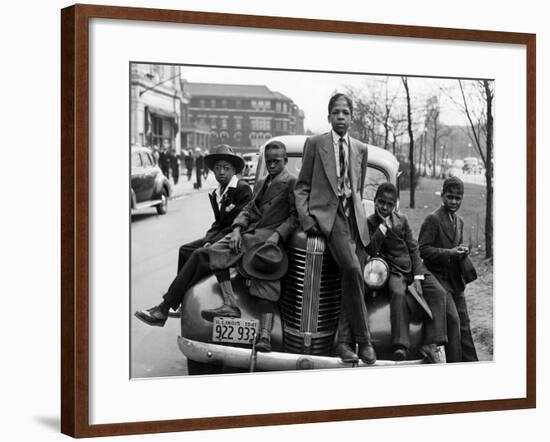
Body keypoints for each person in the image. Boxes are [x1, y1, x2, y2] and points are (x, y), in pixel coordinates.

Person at [135, 141, 298, 351]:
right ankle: (180, 307)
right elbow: (249, 209)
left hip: (265, 241)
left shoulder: (291, 182)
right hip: (248, 235)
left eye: (277, 161)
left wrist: (277, 235)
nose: (273, 165)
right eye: (269, 162)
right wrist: (238, 228)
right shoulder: (264, 182)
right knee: (205, 253)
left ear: (285, 161)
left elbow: (294, 217)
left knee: (204, 254)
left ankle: (165, 308)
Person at [294, 93, 376, 365]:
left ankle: (342, 342)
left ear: (352, 117)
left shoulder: (361, 149)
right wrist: (308, 221)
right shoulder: (316, 143)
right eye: (336, 112)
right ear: (329, 116)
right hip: (330, 217)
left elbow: (358, 188)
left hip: (355, 220)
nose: (341, 117)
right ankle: (364, 342)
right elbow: (302, 186)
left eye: (345, 112)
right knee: (352, 270)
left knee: (352, 277)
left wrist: (359, 216)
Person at [364, 182, 461, 362]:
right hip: (393, 269)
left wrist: (417, 275)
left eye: (389, 204)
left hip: (413, 268)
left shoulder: (402, 220)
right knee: (398, 292)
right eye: (381, 202)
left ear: (395, 205)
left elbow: (414, 248)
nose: (385, 207)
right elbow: (371, 249)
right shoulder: (370, 222)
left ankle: (432, 343)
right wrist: (383, 227)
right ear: (375, 202)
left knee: (438, 292)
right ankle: (400, 344)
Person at [419, 177, 479, 362]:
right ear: (442, 196)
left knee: (464, 324)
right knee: (453, 320)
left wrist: (462, 251)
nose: (454, 202)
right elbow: (423, 249)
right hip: (437, 279)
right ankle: (454, 366)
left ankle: (472, 365)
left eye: (458, 198)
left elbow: (455, 245)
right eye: (450, 197)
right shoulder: (433, 219)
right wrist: (450, 253)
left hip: (455, 280)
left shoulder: (459, 221)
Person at [176, 144, 252, 272]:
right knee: (184, 250)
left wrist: (211, 242)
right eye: (217, 168)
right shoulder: (217, 192)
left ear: (234, 171)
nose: (221, 172)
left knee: (199, 254)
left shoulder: (242, 189)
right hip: (219, 236)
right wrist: (208, 239)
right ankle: (184, 288)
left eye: (226, 168)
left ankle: (180, 289)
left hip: (233, 238)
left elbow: (235, 225)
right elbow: (218, 222)